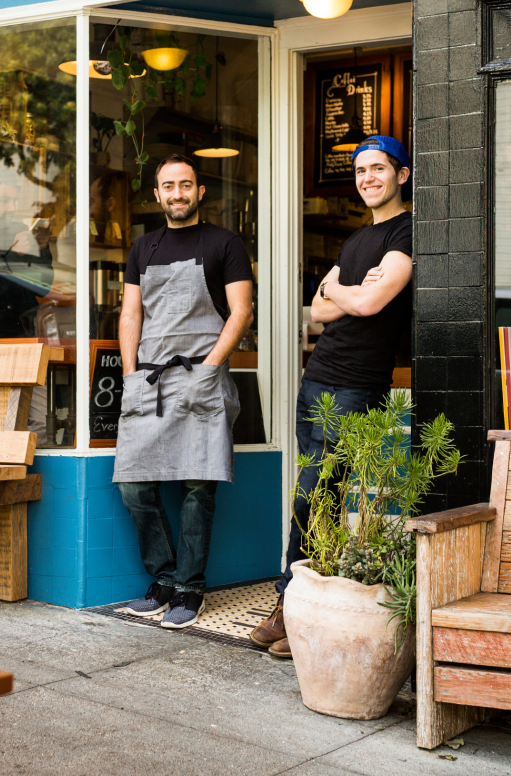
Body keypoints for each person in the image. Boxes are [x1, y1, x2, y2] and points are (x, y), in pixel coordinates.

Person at [250, 135, 413, 658]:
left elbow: (366, 303)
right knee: (318, 493)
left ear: (402, 175)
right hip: (318, 377)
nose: (368, 178)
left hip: (356, 385)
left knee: (315, 493)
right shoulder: (356, 240)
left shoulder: (407, 233)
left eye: (378, 169)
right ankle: (306, 611)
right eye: (361, 170)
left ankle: (290, 605)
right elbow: (318, 310)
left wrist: (342, 292)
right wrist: (348, 293)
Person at [114, 153, 254, 629]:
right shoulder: (143, 248)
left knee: (198, 488)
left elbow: (241, 312)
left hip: (202, 377)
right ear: (158, 195)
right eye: (169, 186)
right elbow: (131, 314)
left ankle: (189, 589)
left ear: (200, 191)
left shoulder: (224, 243)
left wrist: (209, 368)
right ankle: (164, 578)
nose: (178, 193)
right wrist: (131, 375)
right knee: (134, 485)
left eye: (186, 185)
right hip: (150, 380)